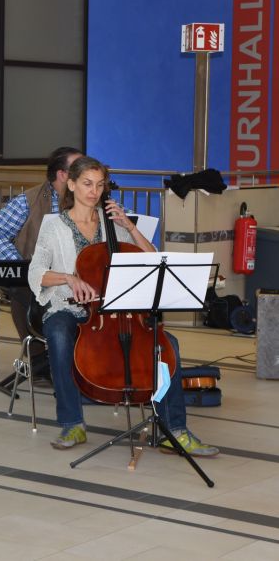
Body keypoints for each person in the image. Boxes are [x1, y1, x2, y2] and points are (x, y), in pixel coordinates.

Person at [27, 156, 218, 456]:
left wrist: (129, 225)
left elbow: (152, 256)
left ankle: (175, 429)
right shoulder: (54, 226)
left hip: (118, 307)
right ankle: (72, 423)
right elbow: (35, 272)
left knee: (168, 345)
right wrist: (69, 278)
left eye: (100, 185)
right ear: (72, 184)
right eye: (88, 184)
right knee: (59, 336)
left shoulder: (114, 223)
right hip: (69, 305)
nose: (94, 191)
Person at [0, 147, 83, 359]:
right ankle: (40, 358)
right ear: (62, 175)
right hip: (40, 275)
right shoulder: (29, 200)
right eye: (79, 168)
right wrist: (20, 266)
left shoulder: (90, 197)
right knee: (25, 291)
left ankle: (86, 354)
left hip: (80, 275)